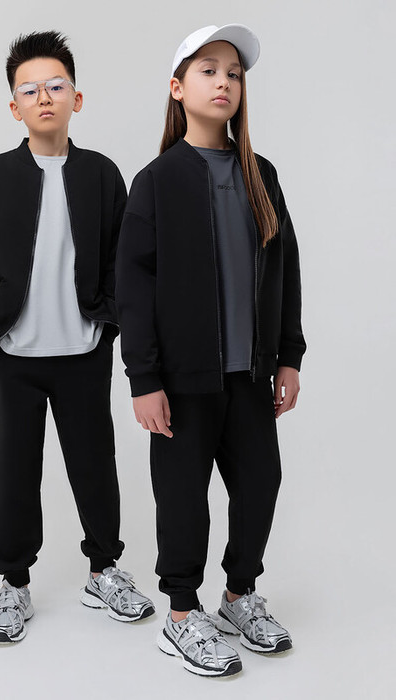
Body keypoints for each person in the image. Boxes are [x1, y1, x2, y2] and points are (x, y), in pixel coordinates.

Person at [115, 23, 307, 677]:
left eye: (234, 73)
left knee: (259, 483)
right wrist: (143, 378)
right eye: (208, 70)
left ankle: (237, 597)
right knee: (183, 498)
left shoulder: (261, 174)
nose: (223, 81)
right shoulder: (156, 181)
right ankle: (179, 614)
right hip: (181, 379)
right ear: (177, 88)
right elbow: (133, 286)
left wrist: (288, 356)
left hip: (250, 374)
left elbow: (284, 269)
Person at [0, 30, 154, 645]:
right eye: (30, 90)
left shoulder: (101, 174)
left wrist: (108, 321)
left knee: (94, 462)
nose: (44, 97)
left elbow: (125, 255)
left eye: (56, 86)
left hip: (84, 350)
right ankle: (13, 582)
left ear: (77, 98)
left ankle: (104, 570)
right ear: (14, 107)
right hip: (15, 353)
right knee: (15, 466)